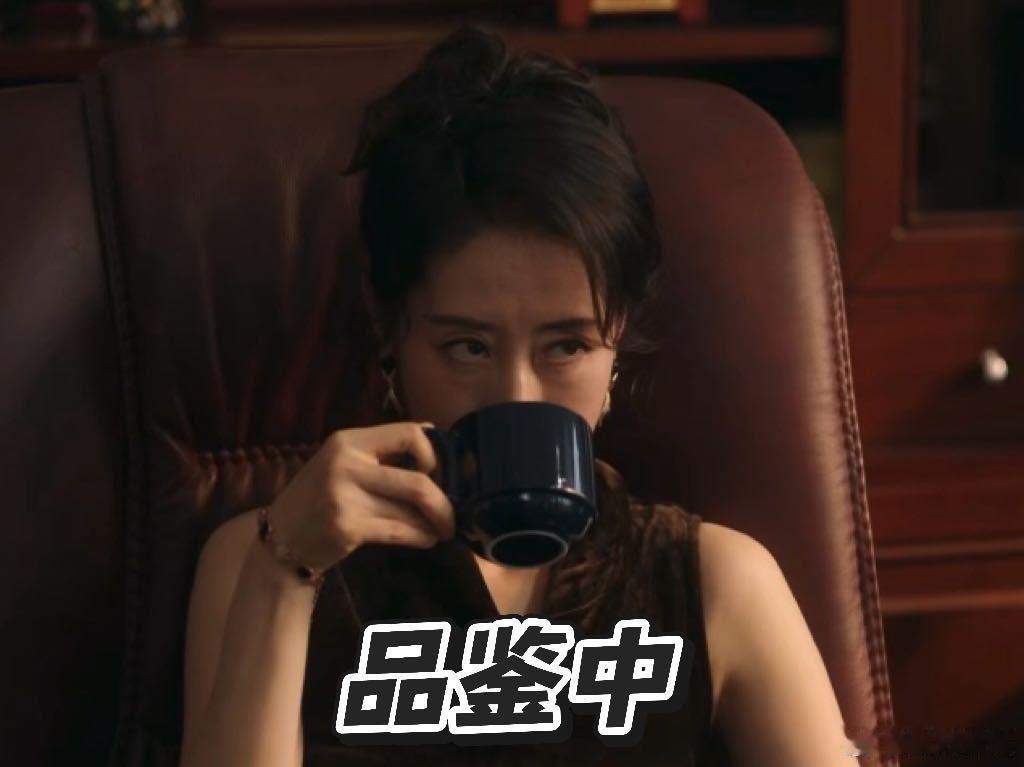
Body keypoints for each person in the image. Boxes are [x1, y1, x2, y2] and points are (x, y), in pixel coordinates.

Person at [178, 24, 859, 767]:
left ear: (616, 342)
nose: (516, 395)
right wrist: (286, 572)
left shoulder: (711, 580)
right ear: (391, 333)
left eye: (566, 346)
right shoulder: (264, 559)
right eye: (467, 347)